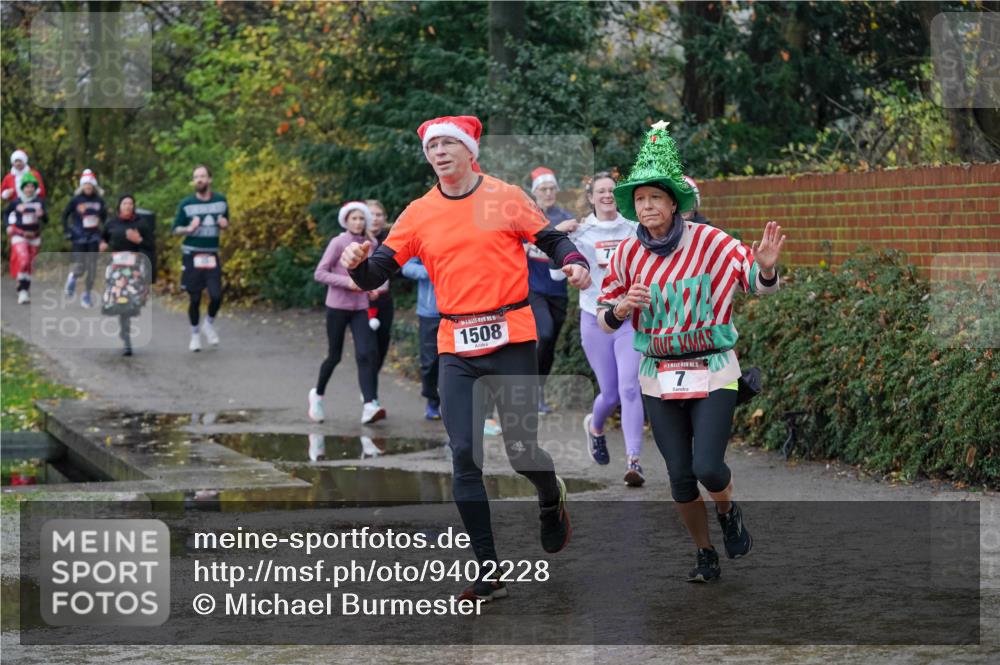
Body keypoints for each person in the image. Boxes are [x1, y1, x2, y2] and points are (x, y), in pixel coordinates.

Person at [341, 115, 590, 602]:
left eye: (449, 144)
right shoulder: (418, 213)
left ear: (470, 150)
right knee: (463, 455)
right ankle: (488, 569)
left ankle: (548, 494)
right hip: (455, 344)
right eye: (432, 146)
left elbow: (552, 239)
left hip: (512, 337)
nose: (440, 152)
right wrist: (357, 266)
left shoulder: (504, 196)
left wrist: (574, 262)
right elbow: (375, 275)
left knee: (522, 453)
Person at [598, 121, 785, 583]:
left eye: (655, 198)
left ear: (675, 202)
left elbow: (758, 285)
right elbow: (605, 319)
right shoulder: (624, 255)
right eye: (639, 200)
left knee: (707, 466)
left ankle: (727, 511)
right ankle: (704, 553)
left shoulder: (712, 242)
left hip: (713, 368)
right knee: (680, 476)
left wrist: (766, 269)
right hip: (658, 374)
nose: (646, 207)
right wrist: (621, 308)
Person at [562, 171, 646, 486]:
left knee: (629, 388)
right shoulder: (581, 231)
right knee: (610, 394)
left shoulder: (634, 228)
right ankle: (595, 428)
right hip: (593, 318)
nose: (607, 195)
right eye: (601, 191)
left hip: (628, 318)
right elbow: (556, 271)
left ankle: (634, 462)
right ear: (591, 197)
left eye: (612, 190)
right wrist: (559, 233)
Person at [308, 201, 388, 425]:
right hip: (337, 307)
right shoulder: (338, 242)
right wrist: (348, 282)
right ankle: (317, 395)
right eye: (354, 218)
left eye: (362, 218)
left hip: (361, 308)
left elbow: (372, 273)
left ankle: (370, 405)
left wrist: (372, 288)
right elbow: (320, 273)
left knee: (366, 353)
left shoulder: (370, 244)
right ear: (346, 220)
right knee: (334, 356)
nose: (358, 222)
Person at [525, 166, 578, 414]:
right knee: (543, 334)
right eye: (543, 189)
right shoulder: (526, 217)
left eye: (551, 189)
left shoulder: (564, 216)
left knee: (550, 342)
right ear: (535, 193)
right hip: (532, 289)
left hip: (558, 290)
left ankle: (538, 391)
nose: (548, 193)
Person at [172, 165, 229, 352]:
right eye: (196, 177)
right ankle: (195, 334)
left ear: (210, 179)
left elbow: (225, 223)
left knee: (216, 295)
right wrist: (188, 229)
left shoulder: (221, 201)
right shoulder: (186, 204)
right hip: (192, 254)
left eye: (203, 176)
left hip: (211, 254)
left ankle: (209, 323)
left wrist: (224, 224)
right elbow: (175, 230)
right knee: (194, 299)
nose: (199, 180)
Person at [100, 194, 155, 356]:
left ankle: (125, 330)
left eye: (131, 203)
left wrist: (139, 241)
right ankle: (127, 338)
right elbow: (103, 238)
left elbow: (151, 245)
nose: (128, 206)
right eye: (125, 203)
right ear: (119, 206)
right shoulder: (111, 223)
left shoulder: (141, 224)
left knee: (133, 302)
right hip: (117, 267)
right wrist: (102, 244)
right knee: (120, 302)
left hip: (135, 268)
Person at [400, 257, 442, 420]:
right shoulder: (425, 236)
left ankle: (453, 403)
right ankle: (432, 401)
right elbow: (406, 267)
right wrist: (429, 271)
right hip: (430, 312)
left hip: (458, 310)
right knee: (429, 361)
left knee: (457, 361)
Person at [62, 169, 108, 308]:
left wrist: (104, 237)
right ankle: (73, 278)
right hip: (79, 236)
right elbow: (64, 215)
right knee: (81, 265)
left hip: (94, 236)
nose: (88, 187)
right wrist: (67, 231)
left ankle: (87, 295)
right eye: (86, 185)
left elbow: (105, 219)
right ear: (82, 186)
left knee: (92, 267)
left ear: (94, 186)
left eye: (90, 185)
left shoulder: (99, 200)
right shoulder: (76, 200)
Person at [4, 172, 47, 304]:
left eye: (31, 187)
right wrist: (8, 226)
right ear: (22, 188)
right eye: (26, 187)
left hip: (34, 236)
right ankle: (22, 291)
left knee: (30, 264)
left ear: (35, 188)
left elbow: (46, 220)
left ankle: (25, 287)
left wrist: (42, 214)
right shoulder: (16, 202)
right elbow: (5, 213)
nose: (29, 189)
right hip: (19, 234)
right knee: (23, 259)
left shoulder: (39, 202)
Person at [365, 199, 395, 373]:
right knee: (368, 347)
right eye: (371, 215)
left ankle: (371, 381)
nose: (375, 219)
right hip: (361, 301)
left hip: (384, 299)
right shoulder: (353, 239)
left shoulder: (391, 239)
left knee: (382, 342)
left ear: (384, 218)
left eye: (379, 215)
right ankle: (369, 393)